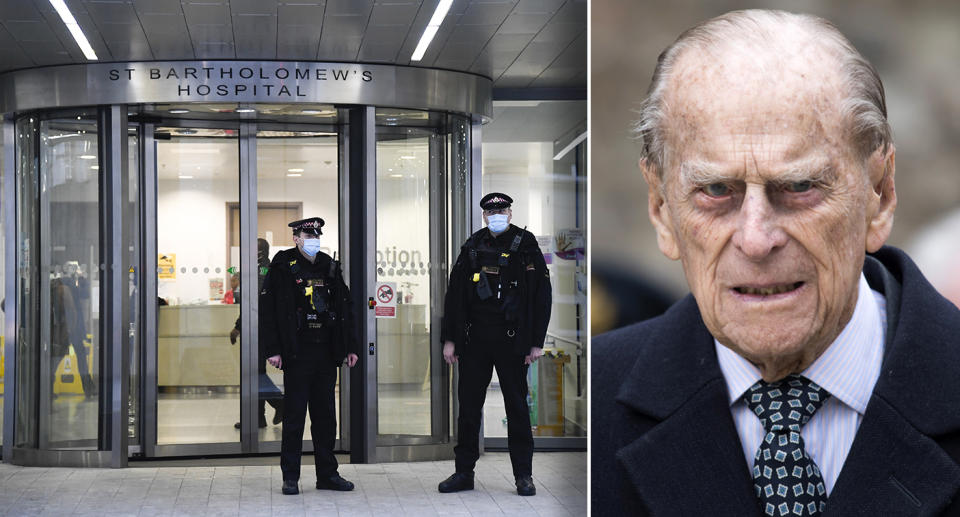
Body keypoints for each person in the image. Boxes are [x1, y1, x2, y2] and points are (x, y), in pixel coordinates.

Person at [592, 9, 960, 516]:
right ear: (660, 209)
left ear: (880, 193)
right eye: (716, 190)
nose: (756, 239)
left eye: (800, 187)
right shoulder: (591, 409)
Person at [438, 192, 552, 496]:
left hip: (512, 341)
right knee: (469, 409)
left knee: (516, 407)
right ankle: (463, 472)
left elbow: (542, 294)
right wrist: (450, 339)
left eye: (501, 210)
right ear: (484, 216)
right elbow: (455, 296)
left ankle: (523, 476)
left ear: (510, 213)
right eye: (491, 212)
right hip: (475, 340)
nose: (496, 215)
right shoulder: (473, 245)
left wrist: (535, 343)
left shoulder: (525, 245)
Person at [261, 218, 359, 495]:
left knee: (326, 417)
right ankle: (290, 477)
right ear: (296, 237)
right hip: (297, 353)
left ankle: (327, 474)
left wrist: (350, 346)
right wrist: (273, 350)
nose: (314, 237)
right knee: (294, 418)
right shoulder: (282, 266)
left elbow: (345, 307)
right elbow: (269, 311)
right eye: (308, 233)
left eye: (317, 233)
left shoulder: (328, 265)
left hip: (326, 352)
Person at [231, 238, 283, 429]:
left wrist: (238, 326)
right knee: (256, 372)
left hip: (260, 329)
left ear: (260, 252)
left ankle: (278, 403)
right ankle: (258, 418)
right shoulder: (260, 269)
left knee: (255, 372)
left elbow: (254, 302)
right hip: (259, 327)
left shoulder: (262, 271)